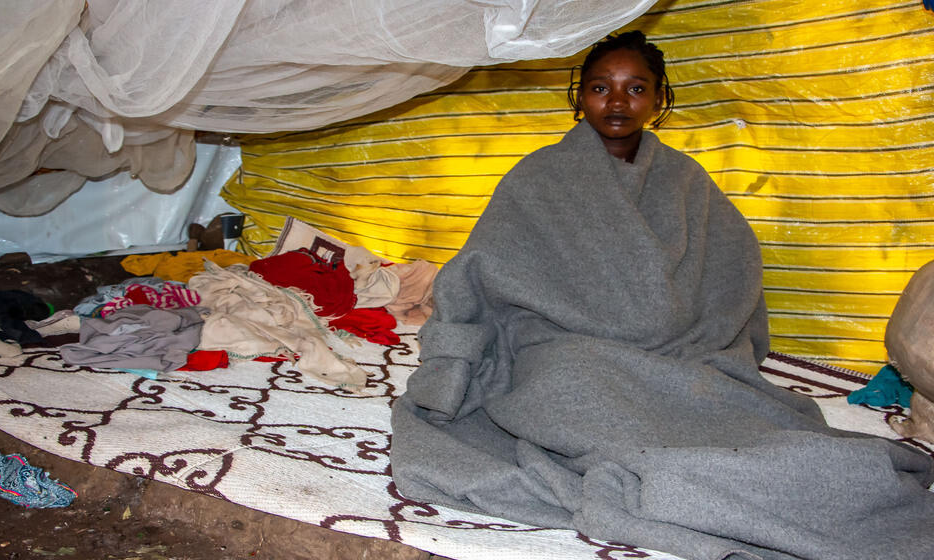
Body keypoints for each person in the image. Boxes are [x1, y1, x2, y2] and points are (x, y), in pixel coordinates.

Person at [390, 31, 934, 560]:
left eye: (636, 87)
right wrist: (453, 364)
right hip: (564, 345)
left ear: (659, 98)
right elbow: (480, 270)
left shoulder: (687, 181)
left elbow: (732, 268)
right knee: (564, 386)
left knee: (727, 412)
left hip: (678, 353)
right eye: (601, 87)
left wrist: (708, 337)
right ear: (579, 96)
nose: (617, 100)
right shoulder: (539, 176)